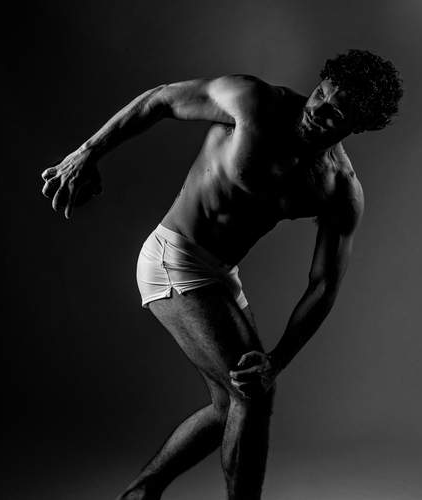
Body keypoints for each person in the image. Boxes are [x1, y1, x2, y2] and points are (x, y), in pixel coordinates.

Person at [41, 49, 403, 500]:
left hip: (219, 274)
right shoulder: (255, 103)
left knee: (229, 402)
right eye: (320, 95)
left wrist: (277, 360)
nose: (318, 111)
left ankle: (140, 494)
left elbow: (324, 284)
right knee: (252, 395)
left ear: (358, 126)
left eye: (336, 114)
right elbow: (160, 99)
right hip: (173, 256)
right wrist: (86, 153)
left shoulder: (339, 187)